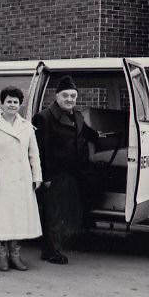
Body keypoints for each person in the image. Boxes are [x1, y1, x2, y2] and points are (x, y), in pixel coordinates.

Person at [32, 74, 98, 265]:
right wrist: (45, 177)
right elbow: (40, 150)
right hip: (54, 174)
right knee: (54, 213)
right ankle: (51, 251)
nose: (70, 99)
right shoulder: (44, 117)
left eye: (73, 96)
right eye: (66, 96)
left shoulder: (77, 115)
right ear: (56, 96)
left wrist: (108, 136)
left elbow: (87, 133)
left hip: (74, 172)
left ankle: (63, 244)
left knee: (67, 210)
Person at [0, 87, 42, 271]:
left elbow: (34, 154)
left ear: (20, 105)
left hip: (22, 178)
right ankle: (2, 255)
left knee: (17, 217)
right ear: (2, 103)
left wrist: (37, 176)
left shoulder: (27, 127)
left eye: (15, 102)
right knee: (1, 217)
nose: (12, 105)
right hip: (0, 179)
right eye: (9, 101)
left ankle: (15, 254)